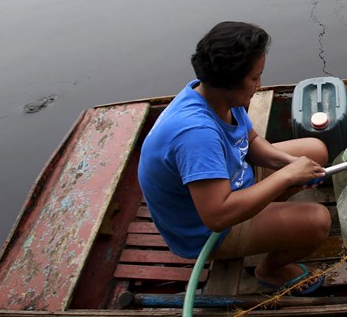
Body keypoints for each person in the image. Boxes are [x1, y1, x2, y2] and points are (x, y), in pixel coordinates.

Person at [138, 22, 331, 296]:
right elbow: (218, 216)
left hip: (230, 181)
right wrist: (286, 176)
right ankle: (270, 272)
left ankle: (270, 217)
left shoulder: (215, 96)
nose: (259, 85)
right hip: (205, 231)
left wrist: (289, 164)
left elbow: (249, 141)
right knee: (317, 222)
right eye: (254, 78)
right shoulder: (196, 134)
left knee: (313, 150)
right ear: (229, 81)